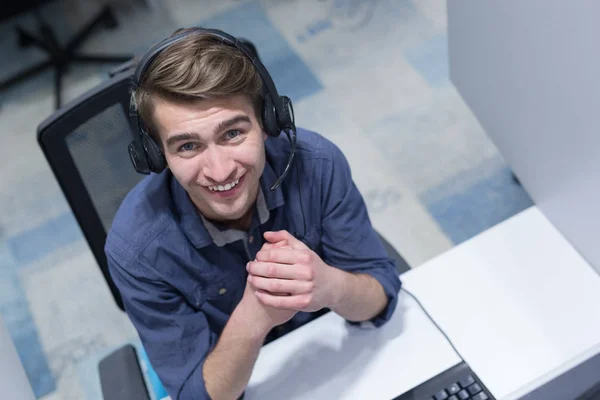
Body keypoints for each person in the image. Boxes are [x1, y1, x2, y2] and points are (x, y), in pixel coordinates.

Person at [105, 26, 402, 400]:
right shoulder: (135, 247)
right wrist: (255, 315)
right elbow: (196, 395)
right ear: (156, 156)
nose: (219, 171)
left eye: (232, 133)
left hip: (336, 362)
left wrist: (331, 286)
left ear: (267, 122)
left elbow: (380, 297)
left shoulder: (318, 164)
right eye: (188, 146)